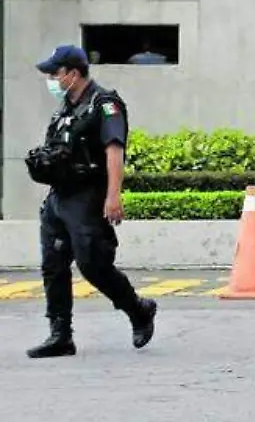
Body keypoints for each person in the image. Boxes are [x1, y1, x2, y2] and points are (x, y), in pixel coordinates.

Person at [24, 45, 157, 359]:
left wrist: (113, 196)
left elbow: (114, 150)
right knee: (53, 266)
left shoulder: (104, 104)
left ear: (73, 73)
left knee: (93, 265)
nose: (51, 80)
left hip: (88, 197)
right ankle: (60, 335)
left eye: (55, 74)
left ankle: (138, 311)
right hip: (59, 198)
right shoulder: (65, 110)